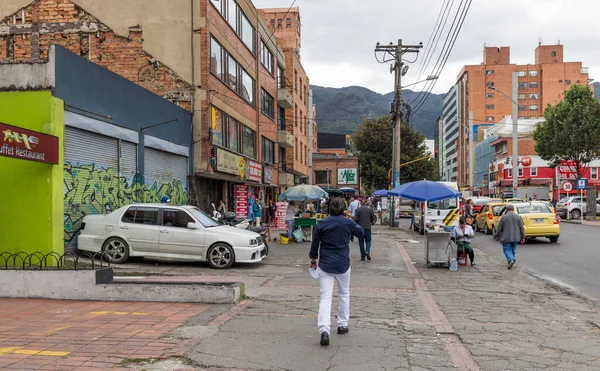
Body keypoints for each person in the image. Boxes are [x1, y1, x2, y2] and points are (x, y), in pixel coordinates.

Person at [309, 197, 364, 346]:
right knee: (344, 294)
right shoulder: (347, 222)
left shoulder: (322, 223)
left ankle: (324, 330)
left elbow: (315, 245)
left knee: (325, 297)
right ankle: (342, 325)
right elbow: (361, 233)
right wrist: (349, 218)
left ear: (329, 208)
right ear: (343, 208)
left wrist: (313, 260)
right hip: (343, 265)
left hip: (325, 264)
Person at [494, 204, 525, 269]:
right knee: (513, 250)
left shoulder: (504, 217)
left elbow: (499, 228)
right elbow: (521, 227)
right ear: (513, 210)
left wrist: (496, 235)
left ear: (507, 209)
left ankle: (511, 260)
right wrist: (523, 236)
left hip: (506, 237)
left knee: (507, 250)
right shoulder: (518, 217)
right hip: (516, 237)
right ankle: (511, 262)